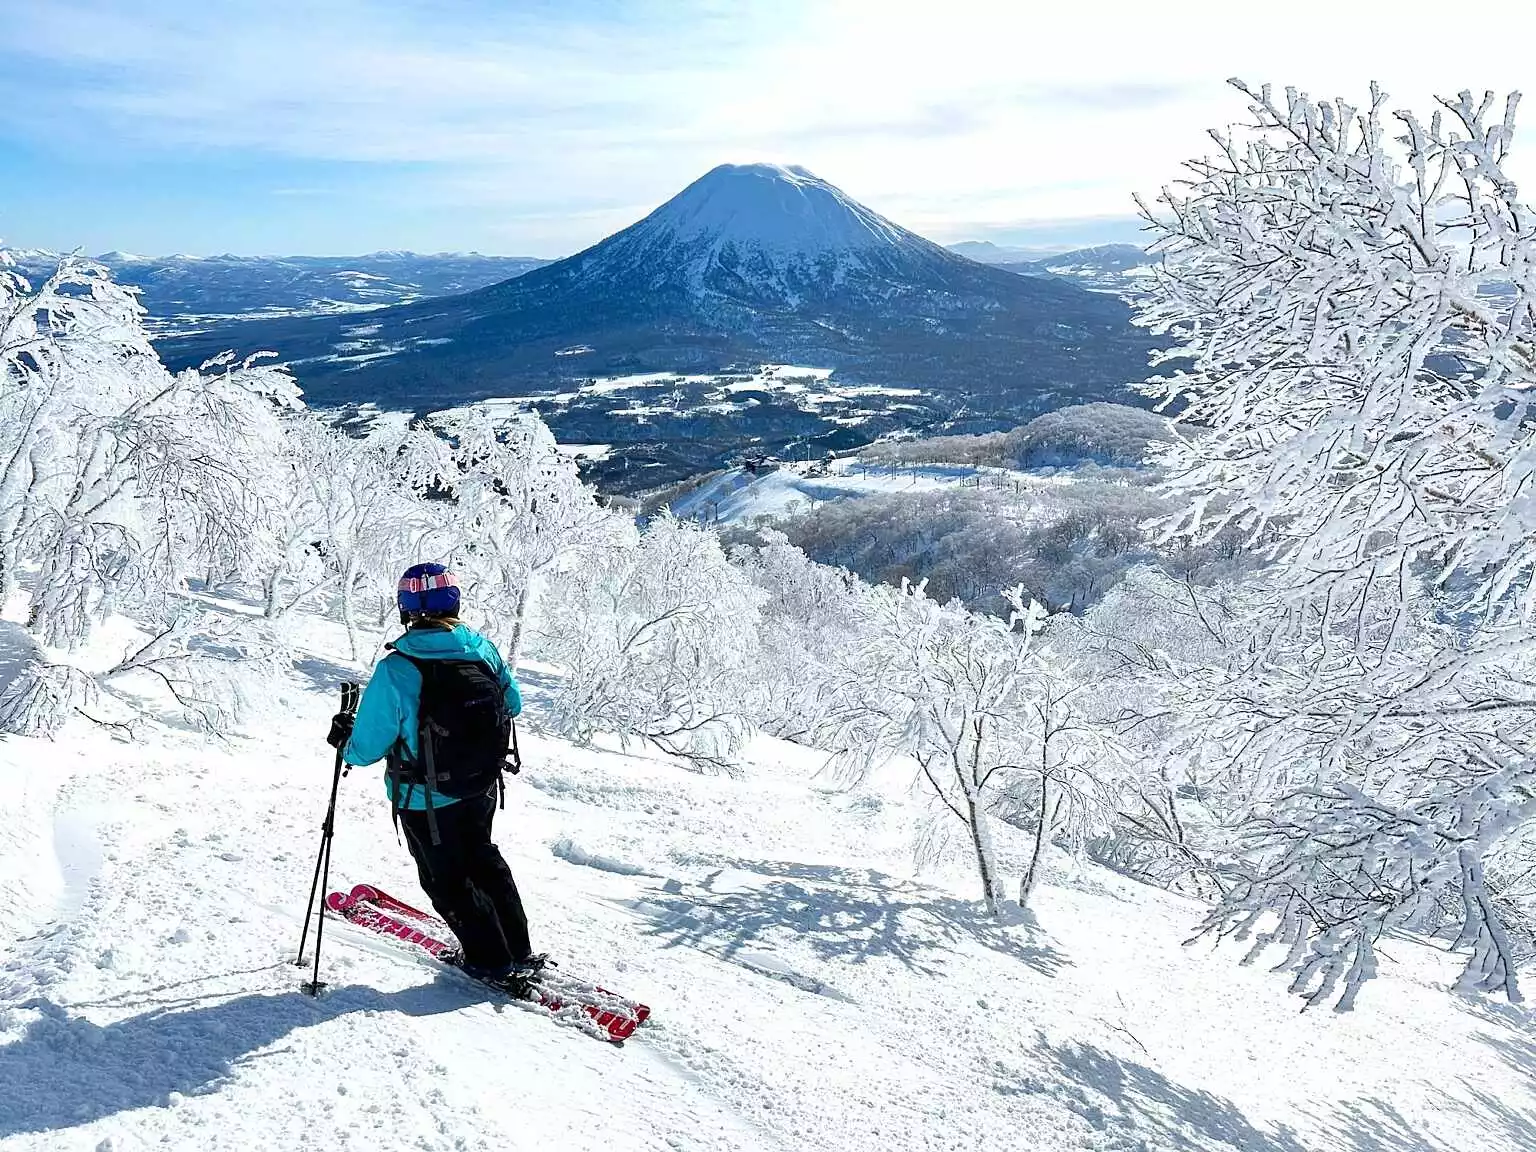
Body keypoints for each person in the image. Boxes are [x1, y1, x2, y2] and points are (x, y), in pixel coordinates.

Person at [326, 562, 542, 985]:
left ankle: (489, 960)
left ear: (405, 610)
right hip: (481, 784)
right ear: (455, 602)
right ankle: (518, 948)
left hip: (424, 796)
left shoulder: (397, 668)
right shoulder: (481, 649)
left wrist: (344, 741)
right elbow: (511, 705)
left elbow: (366, 749)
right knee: (483, 858)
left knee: (446, 878)